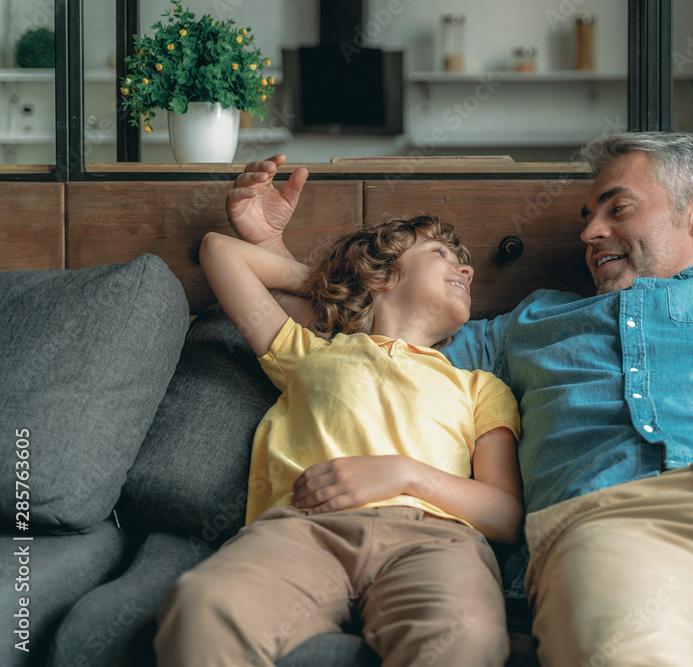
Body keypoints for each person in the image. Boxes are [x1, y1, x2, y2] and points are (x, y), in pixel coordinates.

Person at [225, 123, 693, 667]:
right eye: (587, 216)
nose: (592, 231)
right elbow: (363, 351)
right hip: (612, 523)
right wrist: (275, 252)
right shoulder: (524, 326)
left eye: (616, 207)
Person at [154, 216, 524, 667]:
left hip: (433, 540)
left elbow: (504, 515)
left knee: (465, 638)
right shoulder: (309, 353)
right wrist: (345, 284)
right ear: (383, 274)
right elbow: (218, 249)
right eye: (441, 253)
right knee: (203, 606)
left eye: (466, 265)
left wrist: (405, 474)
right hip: (305, 531)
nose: (466, 270)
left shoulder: (480, 387)